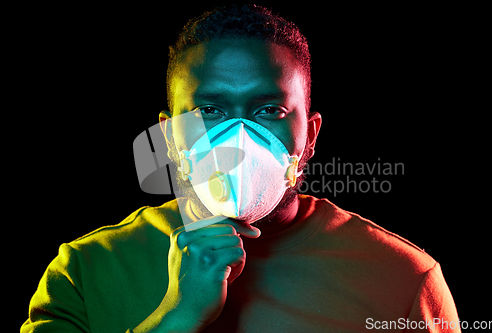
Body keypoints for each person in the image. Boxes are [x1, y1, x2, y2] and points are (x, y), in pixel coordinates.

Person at [22, 4, 460, 332]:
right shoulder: (85, 270)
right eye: (210, 110)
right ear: (170, 136)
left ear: (309, 135)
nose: (238, 140)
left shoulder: (404, 280)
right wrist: (176, 317)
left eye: (269, 110)